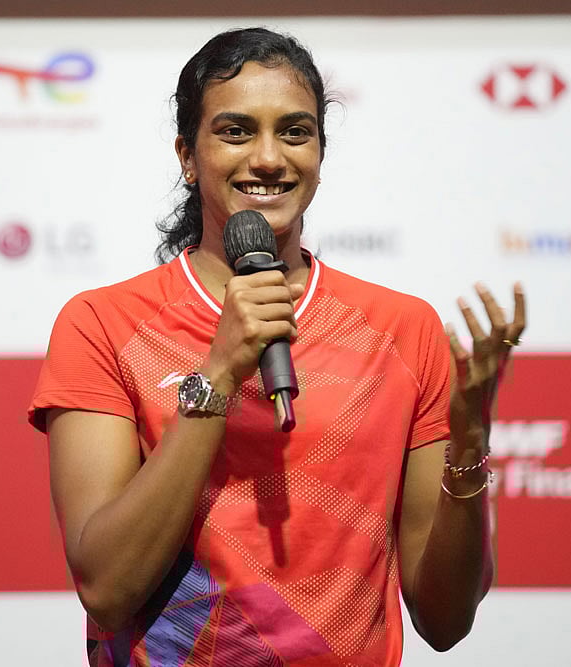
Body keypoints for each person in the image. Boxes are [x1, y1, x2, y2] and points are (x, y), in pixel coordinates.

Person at [28, 27, 526, 667]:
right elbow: (107, 589)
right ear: (187, 156)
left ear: (320, 153)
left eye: (295, 132)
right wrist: (218, 373)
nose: (268, 158)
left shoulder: (404, 328)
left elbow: (446, 620)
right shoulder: (102, 323)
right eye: (236, 132)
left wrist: (470, 446)